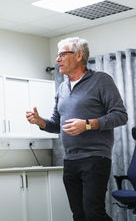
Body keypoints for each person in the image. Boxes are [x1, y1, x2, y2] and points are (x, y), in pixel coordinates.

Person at [26, 37, 127, 221]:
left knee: (93, 213)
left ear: (79, 55)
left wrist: (88, 124)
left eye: (62, 54)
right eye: (58, 55)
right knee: (79, 215)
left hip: (95, 158)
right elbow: (57, 124)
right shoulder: (62, 88)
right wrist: (40, 122)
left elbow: (120, 115)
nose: (57, 60)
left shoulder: (101, 80)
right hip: (70, 160)